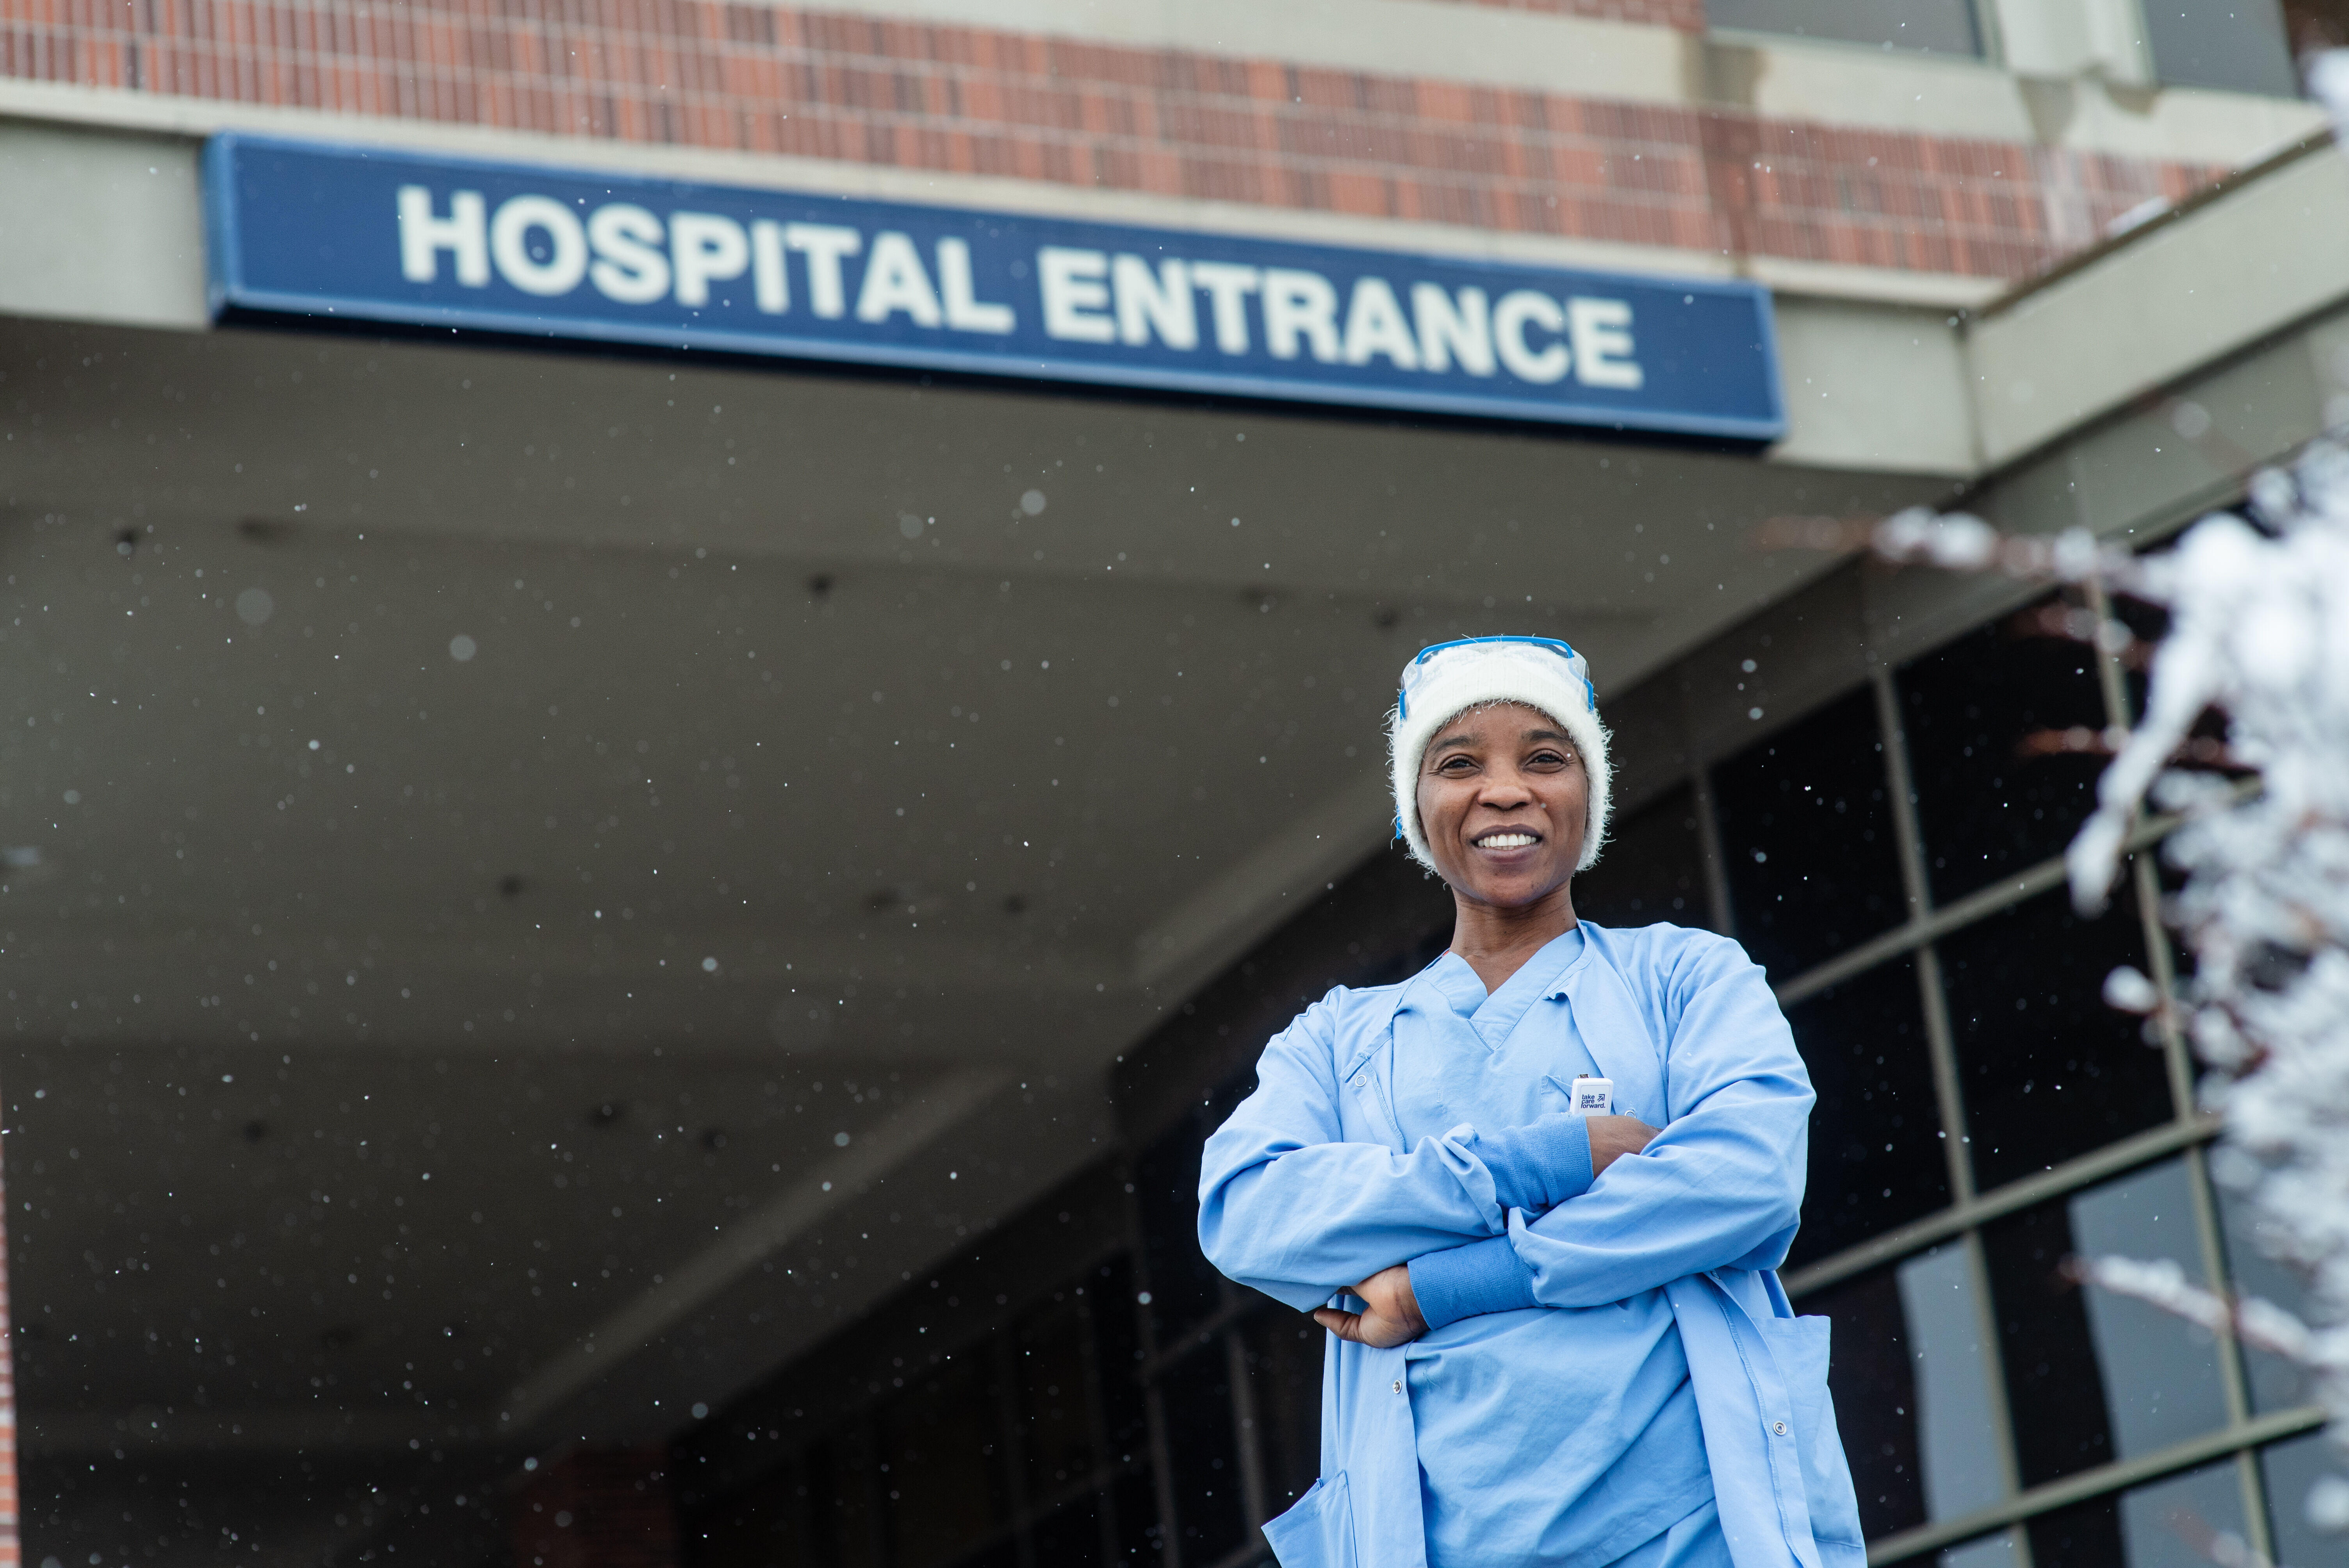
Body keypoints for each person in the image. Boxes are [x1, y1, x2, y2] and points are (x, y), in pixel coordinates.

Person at [1197, 636, 1864, 1568]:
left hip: (1692, 1531)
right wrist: (1542, 1161)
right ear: (1414, 807)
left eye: (1544, 758)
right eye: (1457, 763)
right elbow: (1247, 1210)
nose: (1503, 790)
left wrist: (1445, 1285)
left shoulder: (1682, 977)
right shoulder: (1339, 1039)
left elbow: (1745, 1177)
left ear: (1585, 797)